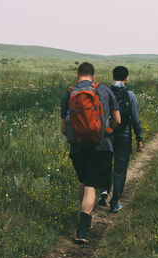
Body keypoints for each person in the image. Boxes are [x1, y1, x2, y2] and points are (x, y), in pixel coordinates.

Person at [61, 62, 121, 243]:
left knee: (83, 180)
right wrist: (106, 130)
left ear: (78, 75)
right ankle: (82, 229)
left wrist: (76, 135)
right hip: (101, 146)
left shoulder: (69, 93)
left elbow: (64, 127)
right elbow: (117, 119)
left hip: (78, 146)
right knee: (90, 186)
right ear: (93, 76)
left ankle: (84, 219)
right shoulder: (104, 90)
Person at [98, 66, 143, 212]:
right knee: (120, 169)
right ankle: (115, 201)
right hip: (123, 134)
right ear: (126, 78)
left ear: (112, 77)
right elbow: (135, 119)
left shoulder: (105, 92)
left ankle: (104, 191)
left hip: (107, 134)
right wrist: (139, 138)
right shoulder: (130, 95)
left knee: (105, 164)